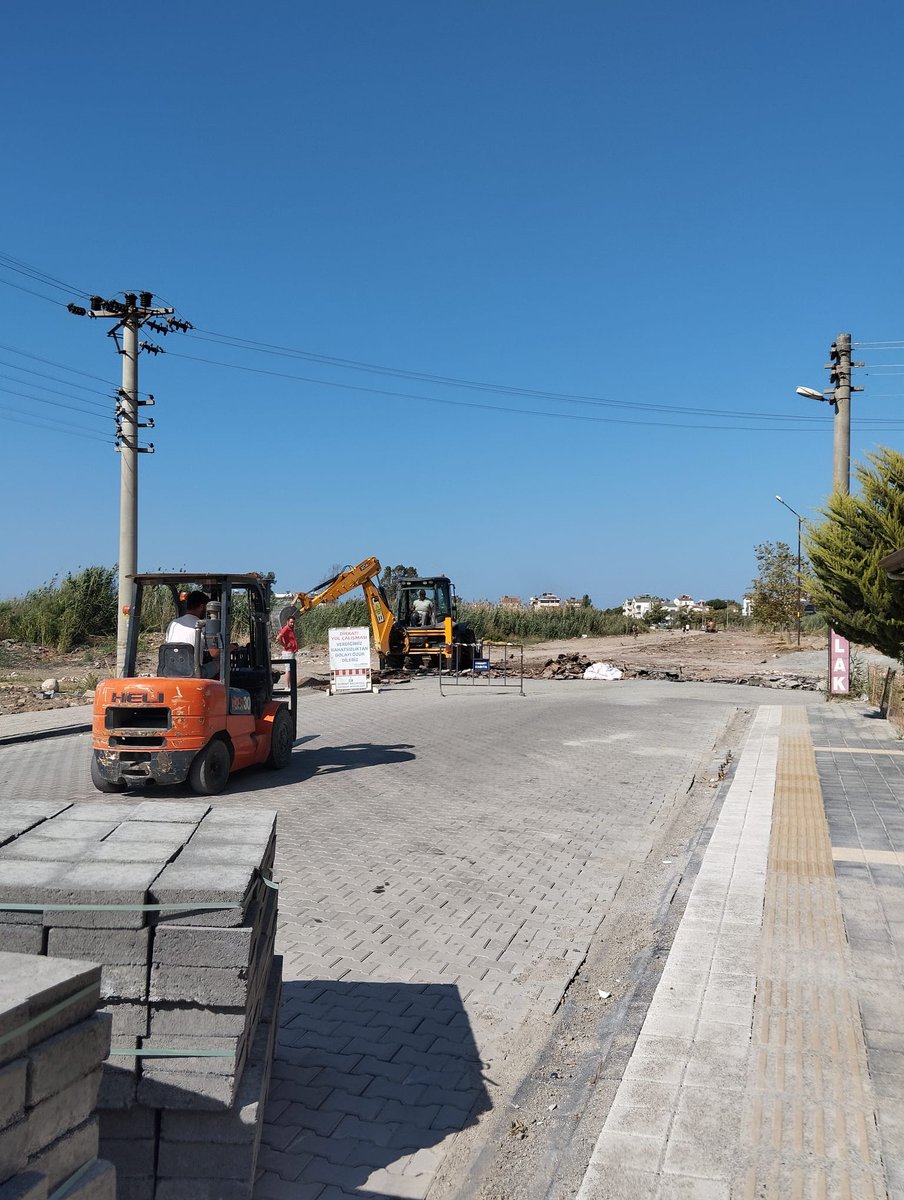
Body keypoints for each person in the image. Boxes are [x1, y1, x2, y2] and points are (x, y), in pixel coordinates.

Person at [165, 591, 221, 678]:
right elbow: (214, 653)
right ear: (202, 606)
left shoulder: (173, 623)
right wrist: (230, 648)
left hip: (171, 670)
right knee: (220, 663)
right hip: (193, 673)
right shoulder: (202, 625)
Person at [276, 616, 298, 690]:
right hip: (287, 652)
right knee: (288, 669)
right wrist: (284, 645)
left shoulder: (291, 629)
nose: (292, 624)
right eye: (291, 622)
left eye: (293, 622)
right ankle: (286, 686)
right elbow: (278, 638)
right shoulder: (286, 628)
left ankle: (291, 686)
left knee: (291, 669)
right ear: (287, 622)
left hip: (291, 651)